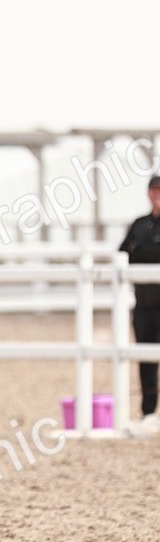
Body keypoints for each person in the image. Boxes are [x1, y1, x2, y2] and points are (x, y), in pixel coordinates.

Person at [119, 175, 160, 425]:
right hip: (143, 303)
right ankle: (148, 412)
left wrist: (141, 252)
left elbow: (137, 252)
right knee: (145, 357)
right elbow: (123, 253)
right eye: (154, 190)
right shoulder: (139, 224)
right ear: (148, 193)